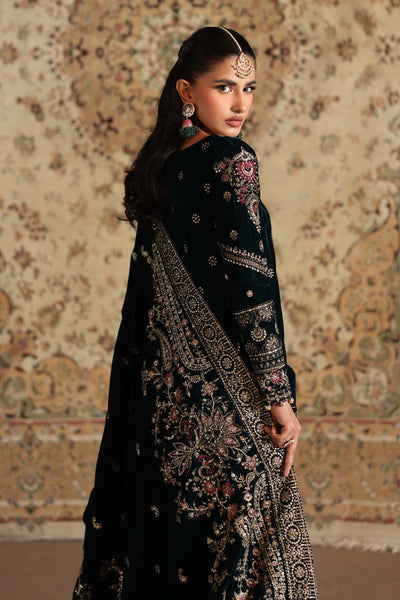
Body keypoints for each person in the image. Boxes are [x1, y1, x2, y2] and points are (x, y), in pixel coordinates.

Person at [72, 26, 319, 600]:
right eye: (224, 87)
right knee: (234, 551)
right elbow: (250, 289)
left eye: (249, 89)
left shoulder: (163, 166)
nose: (240, 104)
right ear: (187, 91)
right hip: (224, 405)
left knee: (173, 543)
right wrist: (278, 398)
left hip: (161, 400)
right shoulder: (232, 160)